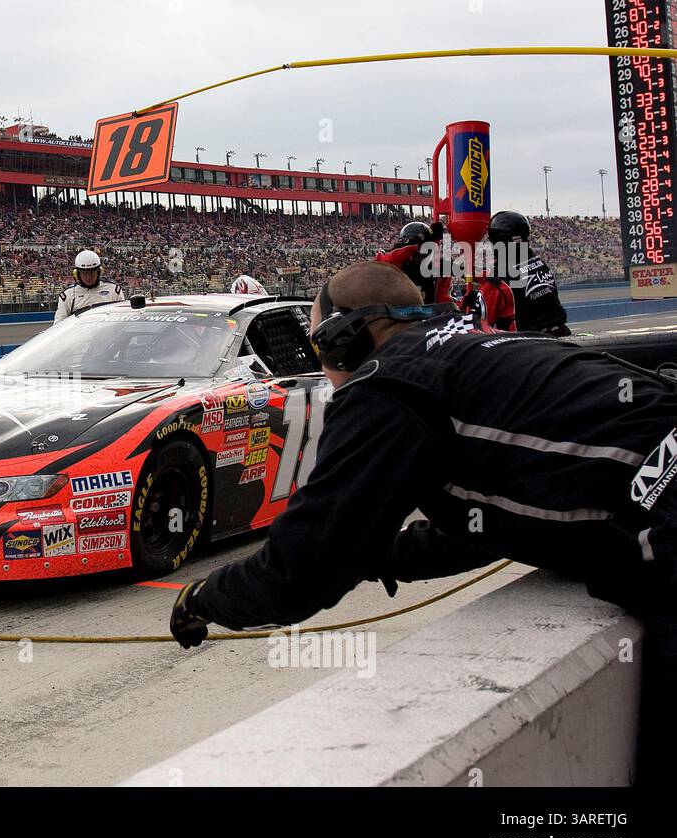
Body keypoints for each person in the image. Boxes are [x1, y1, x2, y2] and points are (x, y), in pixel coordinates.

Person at [168, 260, 677, 780]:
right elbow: (486, 525)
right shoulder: (476, 347)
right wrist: (381, 554)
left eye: (321, 347)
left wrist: (204, 598)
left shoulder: (388, 384)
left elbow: (302, 570)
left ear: (345, 338)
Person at [376, 220, 516, 331]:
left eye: (427, 251)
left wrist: (461, 307)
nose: (423, 257)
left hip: (427, 327)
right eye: (419, 252)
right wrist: (420, 240)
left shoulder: (439, 267)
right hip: (397, 325)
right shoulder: (393, 267)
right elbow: (384, 260)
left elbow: (469, 274)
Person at [487, 210, 571, 337]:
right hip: (560, 333)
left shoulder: (499, 277)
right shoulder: (539, 263)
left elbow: (481, 317)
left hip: (528, 341)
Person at [54, 249, 125, 322]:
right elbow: (58, 325)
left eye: (92, 273)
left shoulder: (114, 291)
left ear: (99, 272)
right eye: (84, 273)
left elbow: (123, 318)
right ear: (77, 274)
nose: (88, 277)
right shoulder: (68, 296)